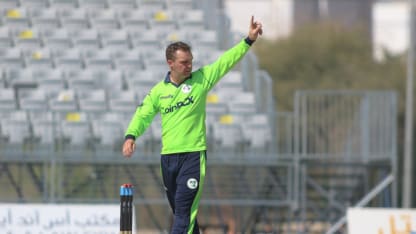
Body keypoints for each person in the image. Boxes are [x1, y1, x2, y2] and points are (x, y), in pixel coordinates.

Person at [122, 16, 263, 234]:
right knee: (183, 215)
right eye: (184, 63)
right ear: (171, 64)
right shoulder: (159, 91)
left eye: (191, 61)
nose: (189, 66)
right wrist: (131, 136)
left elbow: (226, 61)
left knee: (183, 214)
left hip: (193, 157)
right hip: (168, 158)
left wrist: (248, 40)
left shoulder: (201, 79)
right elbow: (143, 114)